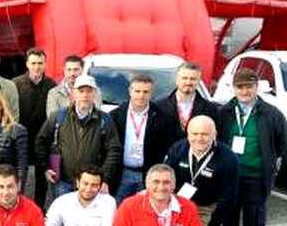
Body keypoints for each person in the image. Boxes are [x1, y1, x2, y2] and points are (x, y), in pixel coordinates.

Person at [216, 67, 287, 226]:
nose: (245, 91)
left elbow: (281, 142)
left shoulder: (272, 113)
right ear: (234, 88)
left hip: (256, 176)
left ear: (256, 87)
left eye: (249, 86)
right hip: (230, 175)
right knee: (228, 218)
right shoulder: (224, 113)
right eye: (240, 87)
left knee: (253, 220)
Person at [35, 74, 121, 200]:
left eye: (89, 91)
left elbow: (114, 150)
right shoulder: (59, 116)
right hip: (63, 183)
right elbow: (41, 141)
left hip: (91, 184)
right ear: (74, 93)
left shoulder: (105, 119)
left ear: (95, 94)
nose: (85, 95)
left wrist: (105, 179)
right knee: (64, 218)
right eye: (81, 91)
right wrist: (46, 167)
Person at [110, 75, 178, 204]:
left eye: (146, 92)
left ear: (151, 93)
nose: (141, 95)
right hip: (121, 174)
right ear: (130, 91)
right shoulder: (115, 115)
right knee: (117, 212)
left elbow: (169, 148)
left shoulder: (163, 117)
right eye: (137, 91)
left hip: (149, 174)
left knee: (146, 211)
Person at [12, 47, 57, 208]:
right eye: (33, 63)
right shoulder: (15, 84)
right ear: (27, 64)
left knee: (41, 179)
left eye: (40, 63)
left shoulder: (52, 86)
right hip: (20, 139)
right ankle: (18, 208)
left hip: (43, 139)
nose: (36, 67)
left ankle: (38, 210)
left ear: (45, 64)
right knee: (19, 176)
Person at [155, 62, 219, 138]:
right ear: (177, 80)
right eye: (184, 78)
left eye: (193, 79)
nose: (188, 82)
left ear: (198, 81)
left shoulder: (210, 109)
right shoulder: (158, 107)